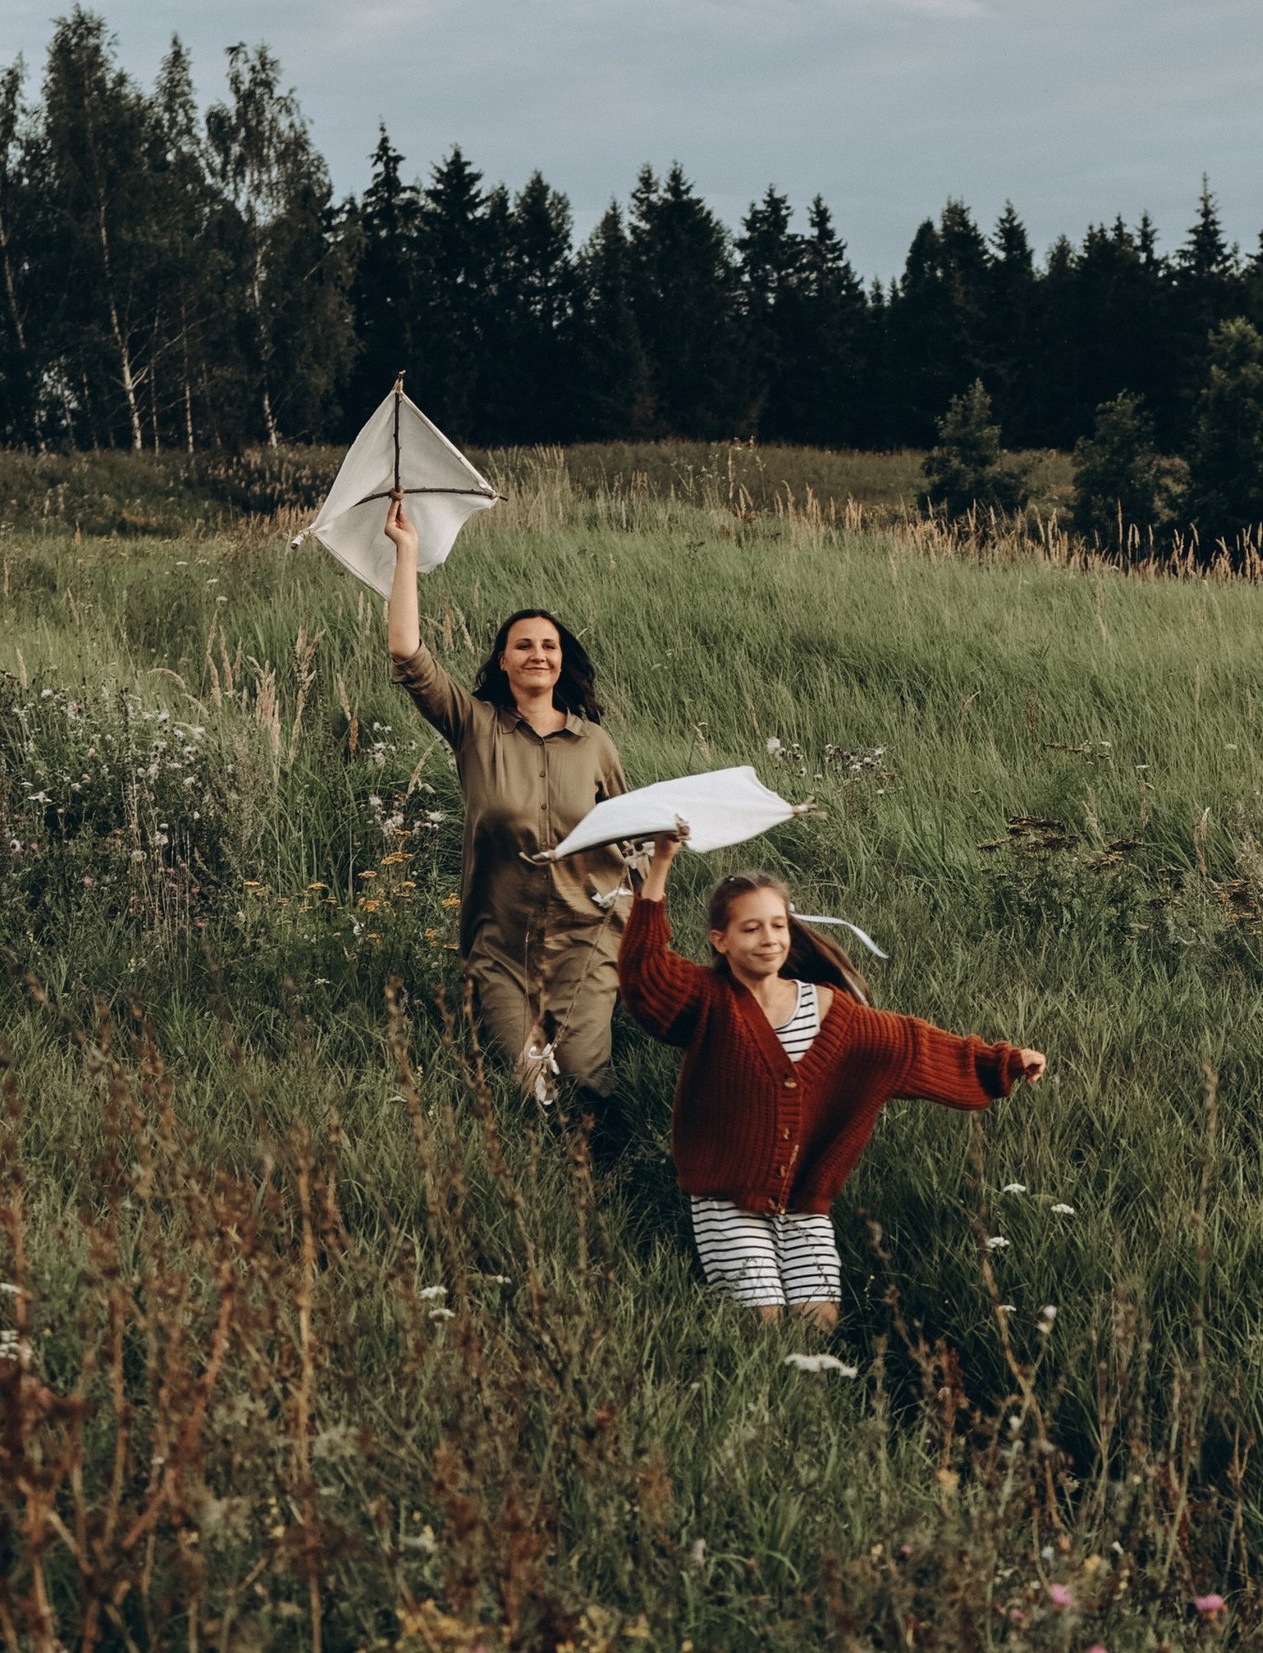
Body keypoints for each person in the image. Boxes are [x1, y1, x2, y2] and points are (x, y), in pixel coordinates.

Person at [618, 828, 1046, 1326]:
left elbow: (913, 1046)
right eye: (751, 928)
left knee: (818, 1322)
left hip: (805, 1201)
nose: (769, 938)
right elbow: (644, 973)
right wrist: (662, 864)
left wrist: (1003, 1062)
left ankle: (811, 1401)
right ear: (722, 940)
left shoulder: (829, 1010)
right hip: (725, 1198)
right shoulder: (707, 999)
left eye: (778, 925)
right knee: (761, 1319)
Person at [382, 489, 630, 1107]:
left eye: (548, 645)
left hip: (585, 939)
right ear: (503, 660)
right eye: (523, 644)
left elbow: (634, 836)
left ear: (562, 659)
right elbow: (408, 655)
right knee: (528, 1086)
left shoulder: (593, 744)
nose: (537, 654)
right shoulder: (475, 725)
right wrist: (406, 552)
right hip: (502, 946)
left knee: (581, 1081)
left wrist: (641, 920)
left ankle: (598, 1182)